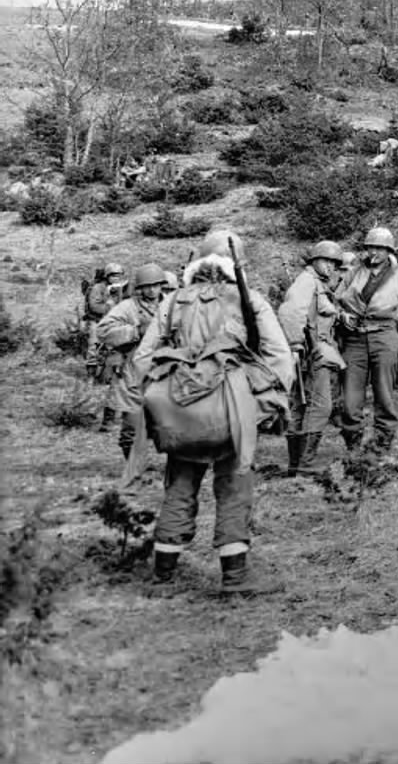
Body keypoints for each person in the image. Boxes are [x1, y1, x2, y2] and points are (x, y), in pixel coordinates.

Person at [131, 229, 294, 595]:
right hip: (231, 412)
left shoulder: (172, 302)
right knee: (235, 489)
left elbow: (142, 359)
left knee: (179, 487)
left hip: (179, 413)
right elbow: (280, 359)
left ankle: (163, 579)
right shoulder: (250, 300)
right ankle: (235, 578)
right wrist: (262, 407)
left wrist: (157, 405)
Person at [334, 227, 398, 456]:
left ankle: (382, 448)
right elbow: (334, 300)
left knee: (384, 396)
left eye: (378, 248)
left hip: (385, 336)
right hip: (354, 339)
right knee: (350, 400)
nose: (373, 252)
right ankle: (353, 449)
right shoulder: (354, 272)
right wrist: (342, 315)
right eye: (369, 247)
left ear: (388, 250)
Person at [275, 240, 345, 475]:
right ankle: (305, 462)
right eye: (326, 261)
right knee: (321, 406)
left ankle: (296, 463)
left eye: (334, 263)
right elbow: (290, 313)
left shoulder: (319, 284)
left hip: (317, 350)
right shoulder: (306, 282)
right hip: (312, 352)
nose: (331, 267)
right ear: (314, 261)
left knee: (301, 406)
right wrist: (295, 345)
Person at [97, 263, 168, 462]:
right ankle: (133, 467)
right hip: (134, 370)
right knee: (131, 423)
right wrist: (134, 331)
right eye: (147, 286)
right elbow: (103, 331)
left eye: (156, 285)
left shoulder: (171, 304)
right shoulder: (128, 307)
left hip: (165, 369)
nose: (152, 290)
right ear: (140, 287)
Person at [85, 263, 127, 427]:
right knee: (93, 346)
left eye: (119, 275)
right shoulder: (99, 288)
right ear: (107, 276)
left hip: (114, 322)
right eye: (113, 275)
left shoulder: (121, 288)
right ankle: (91, 373)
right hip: (98, 320)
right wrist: (110, 307)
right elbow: (94, 305)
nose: (116, 278)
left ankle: (108, 373)